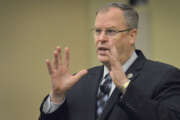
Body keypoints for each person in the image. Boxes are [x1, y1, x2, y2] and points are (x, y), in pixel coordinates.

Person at [39, 2, 180, 120]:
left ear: (132, 35)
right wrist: (56, 98)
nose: (101, 38)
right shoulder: (79, 82)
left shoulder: (165, 76)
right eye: (97, 31)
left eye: (111, 31)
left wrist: (125, 86)